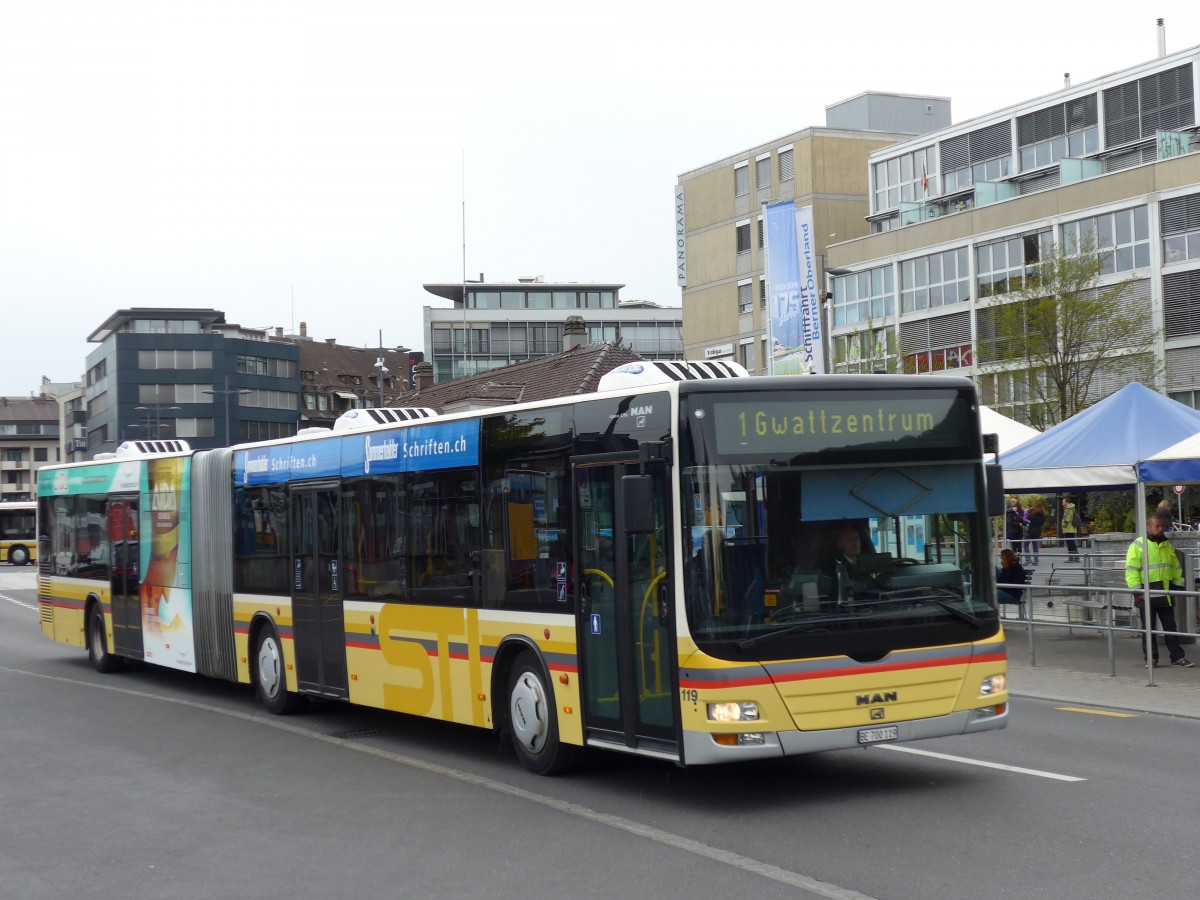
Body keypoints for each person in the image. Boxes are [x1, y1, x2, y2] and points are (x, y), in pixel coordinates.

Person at [1124, 513, 1195, 668]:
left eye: (1162, 526)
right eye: (1157, 526)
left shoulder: (1167, 545)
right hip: (1146, 594)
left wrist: (1178, 586)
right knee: (1149, 629)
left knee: (1171, 628)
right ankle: (1151, 659)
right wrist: (1137, 591)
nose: (1161, 528)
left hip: (1165, 593)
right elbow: (1131, 571)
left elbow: (1175, 567)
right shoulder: (1138, 545)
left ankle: (1177, 657)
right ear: (1148, 528)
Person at [1061, 496, 1080, 563]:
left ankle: (1071, 558)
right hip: (1072, 528)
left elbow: (1066, 520)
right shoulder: (1072, 508)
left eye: (1063, 502)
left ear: (1067, 502)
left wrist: (1063, 525)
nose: (1062, 503)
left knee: (1069, 544)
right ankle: (1077, 557)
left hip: (1068, 529)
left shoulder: (1067, 510)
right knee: (1072, 543)